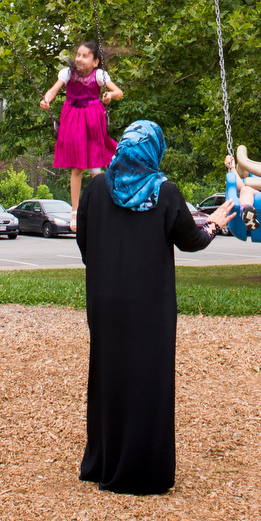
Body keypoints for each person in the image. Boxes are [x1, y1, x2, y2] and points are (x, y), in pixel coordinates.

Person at [77, 120, 236, 495]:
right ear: (154, 150)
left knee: (108, 376)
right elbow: (192, 240)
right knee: (147, 380)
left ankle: (102, 462)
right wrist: (213, 225)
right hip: (149, 304)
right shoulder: (164, 192)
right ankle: (141, 470)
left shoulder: (96, 187)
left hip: (104, 302)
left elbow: (85, 243)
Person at [42, 42, 122, 228]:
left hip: (93, 119)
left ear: (95, 62)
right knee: (77, 167)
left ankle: (104, 209)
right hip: (73, 118)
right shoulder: (68, 74)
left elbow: (119, 92)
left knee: (96, 169)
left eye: (85, 56)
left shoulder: (99, 75)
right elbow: (53, 91)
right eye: (78, 54)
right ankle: (75, 212)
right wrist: (46, 100)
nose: (79, 58)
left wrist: (110, 96)